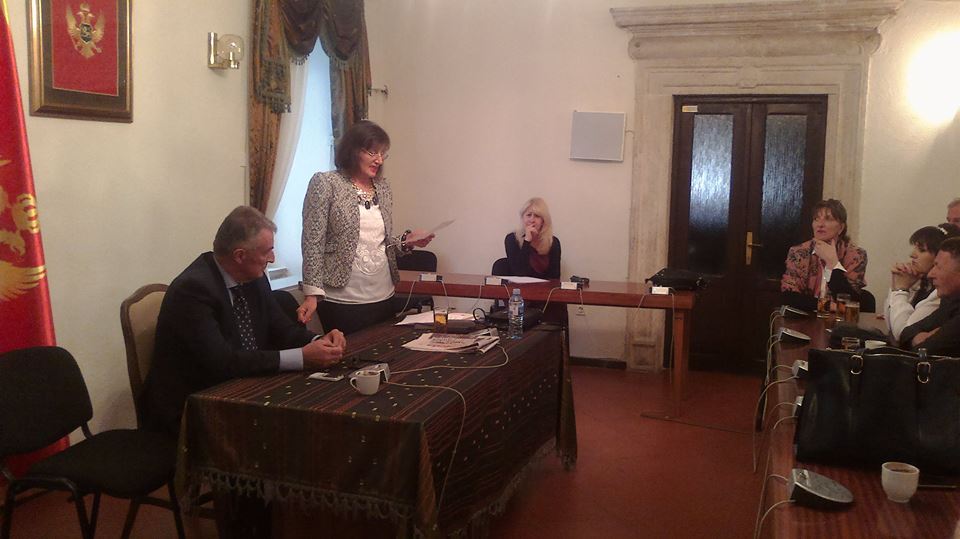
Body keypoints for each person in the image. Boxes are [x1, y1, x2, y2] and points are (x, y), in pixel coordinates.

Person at [141, 206, 346, 439]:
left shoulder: (254, 277)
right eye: (267, 251)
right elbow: (223, 362)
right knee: (300, 430)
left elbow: (281, 329)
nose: (273, 258)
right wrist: (302, 357)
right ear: (240, 256)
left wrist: (319, 340)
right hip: (192, 406)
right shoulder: (193, 289)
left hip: (240, 389)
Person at [298, 120, 433, 335]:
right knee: (349, 353)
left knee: (383, 350)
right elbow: (312, 241)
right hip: (342, 298)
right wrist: (311, 293)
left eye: (383, 153)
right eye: (372, 152)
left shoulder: (383, 187)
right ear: (353, 150)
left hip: (383, 294)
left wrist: (406, 241)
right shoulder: (326, 183)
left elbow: (379, 242)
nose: (379, 160)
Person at [780, 199, 867, 312]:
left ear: (841, 228)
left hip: (840, 320)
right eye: (816, 219)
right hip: (807, 318)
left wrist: (832, 263)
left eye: (828, 219)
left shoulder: (856, 255)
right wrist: (828, 306)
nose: (820, 225)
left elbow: (851, 301)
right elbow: (789, 296)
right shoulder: (799, 252)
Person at [885, 224, 960, 340]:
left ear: (939, 256)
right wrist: (896, 284)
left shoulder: (942, 292)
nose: (912, 255)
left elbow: (901, 332)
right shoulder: (921, 282)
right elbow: (891, 324)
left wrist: (900, 290)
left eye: (921, 250)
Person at [900, 237, 960, 355]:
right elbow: (905, 333)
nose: (930, 274)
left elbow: (923, 352)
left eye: (938, 267)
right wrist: (926, 337)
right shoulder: (950, 302)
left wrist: (928, 338)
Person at [504, 197, 561, 279]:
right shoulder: (512, 239)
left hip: (545, 287)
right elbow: (519, 272)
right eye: (528, 215)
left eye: (537, 216)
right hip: (518, 286)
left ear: (543, 221)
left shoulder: (553, 242)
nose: (532, 220)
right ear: (523, 218)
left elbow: (555, 277)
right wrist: (527, 241)